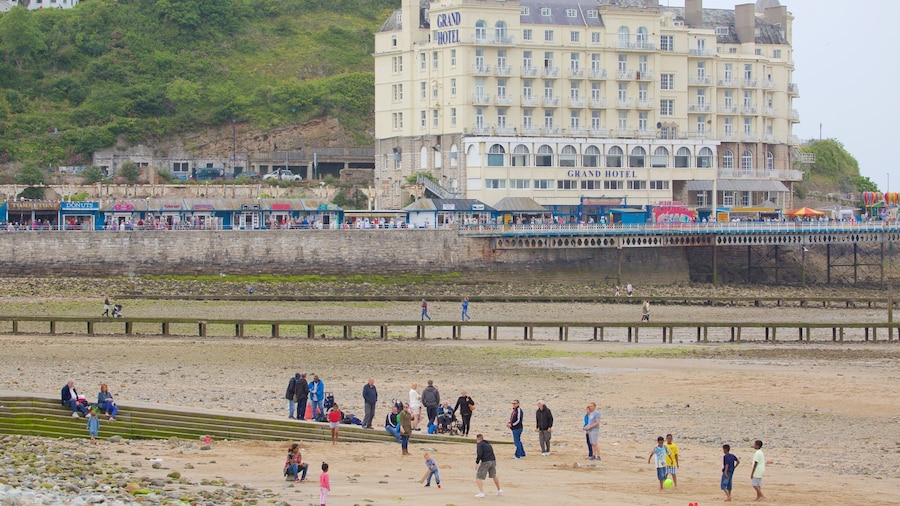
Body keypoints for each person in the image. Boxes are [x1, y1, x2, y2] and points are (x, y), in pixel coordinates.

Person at [474, 434, 502, 498]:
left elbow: (479, 454)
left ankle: (481, 493)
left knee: (478, 477)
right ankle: (499, 490)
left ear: (478, 439)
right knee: (494, 475)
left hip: (486, 461)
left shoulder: (480, 444)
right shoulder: (488, 444)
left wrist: (477, 463)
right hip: (493, 460)